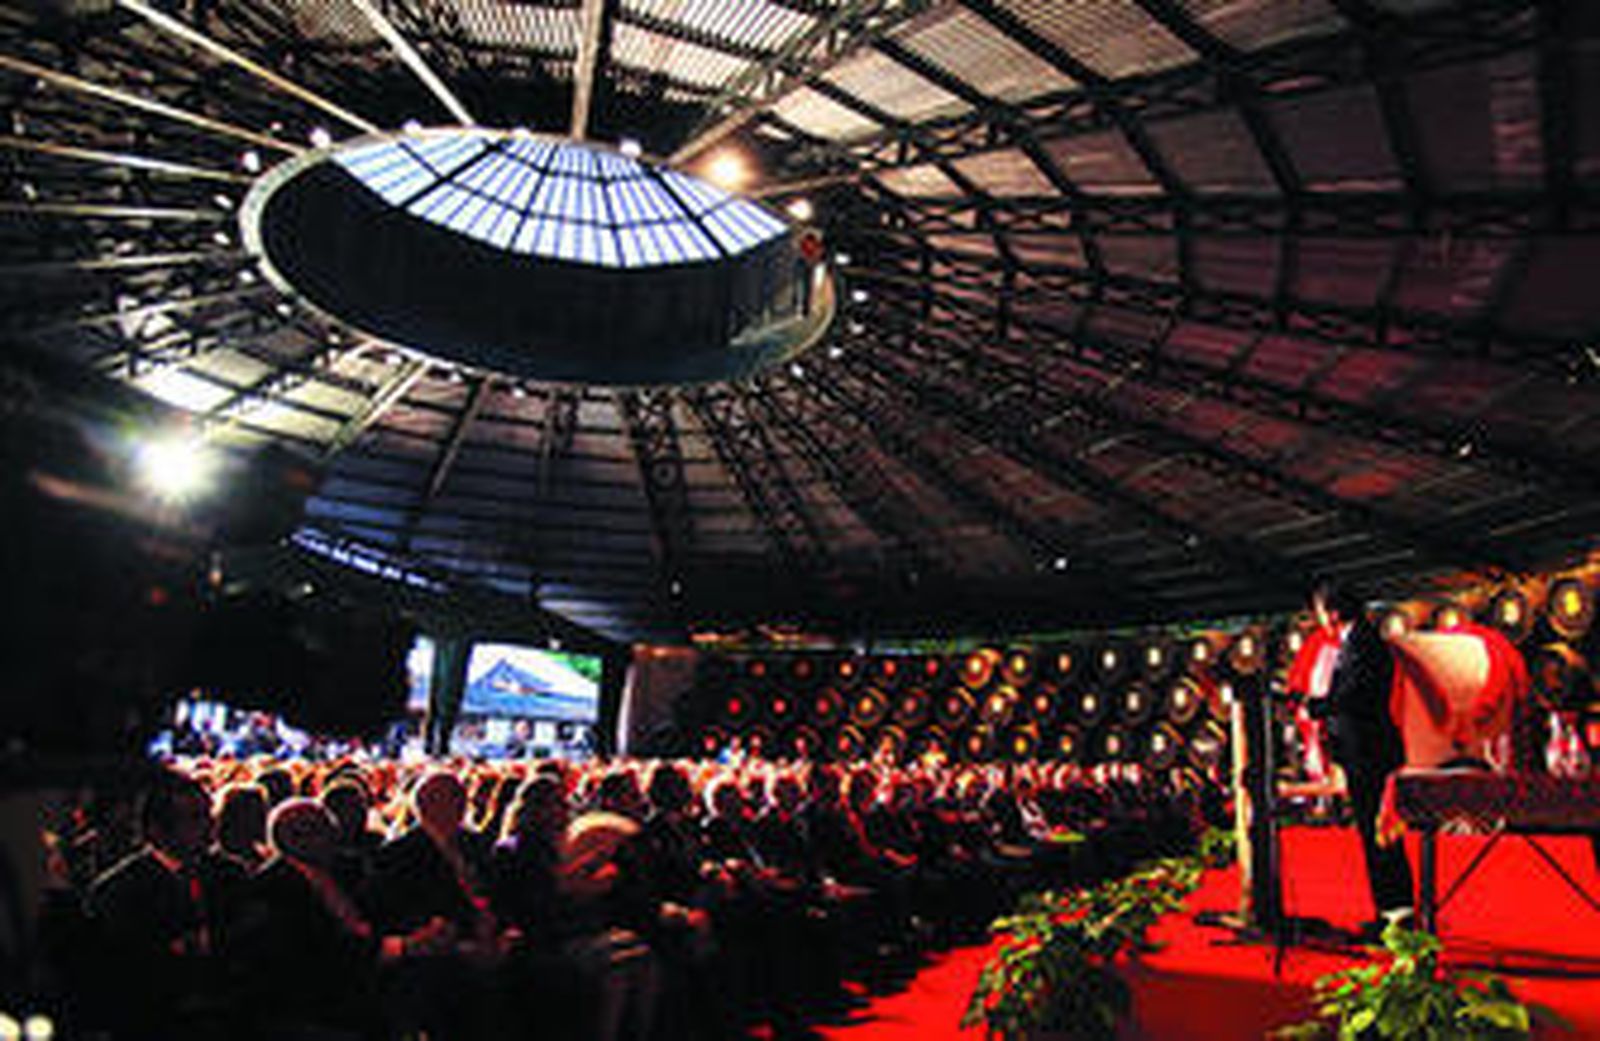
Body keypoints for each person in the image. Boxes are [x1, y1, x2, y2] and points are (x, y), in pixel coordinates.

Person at [1306, 579, 1415, 935]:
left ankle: (1396, 916)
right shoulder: (1355, 641)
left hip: (1369, 751)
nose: (1319, 620)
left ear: (1333, 612)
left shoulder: (1363, 643)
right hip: (1362, 751)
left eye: (1320, 612)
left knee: (1379, 834)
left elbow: (1355, 697)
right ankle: (1390, 913)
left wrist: (1314, 707)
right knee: (1374, 834)